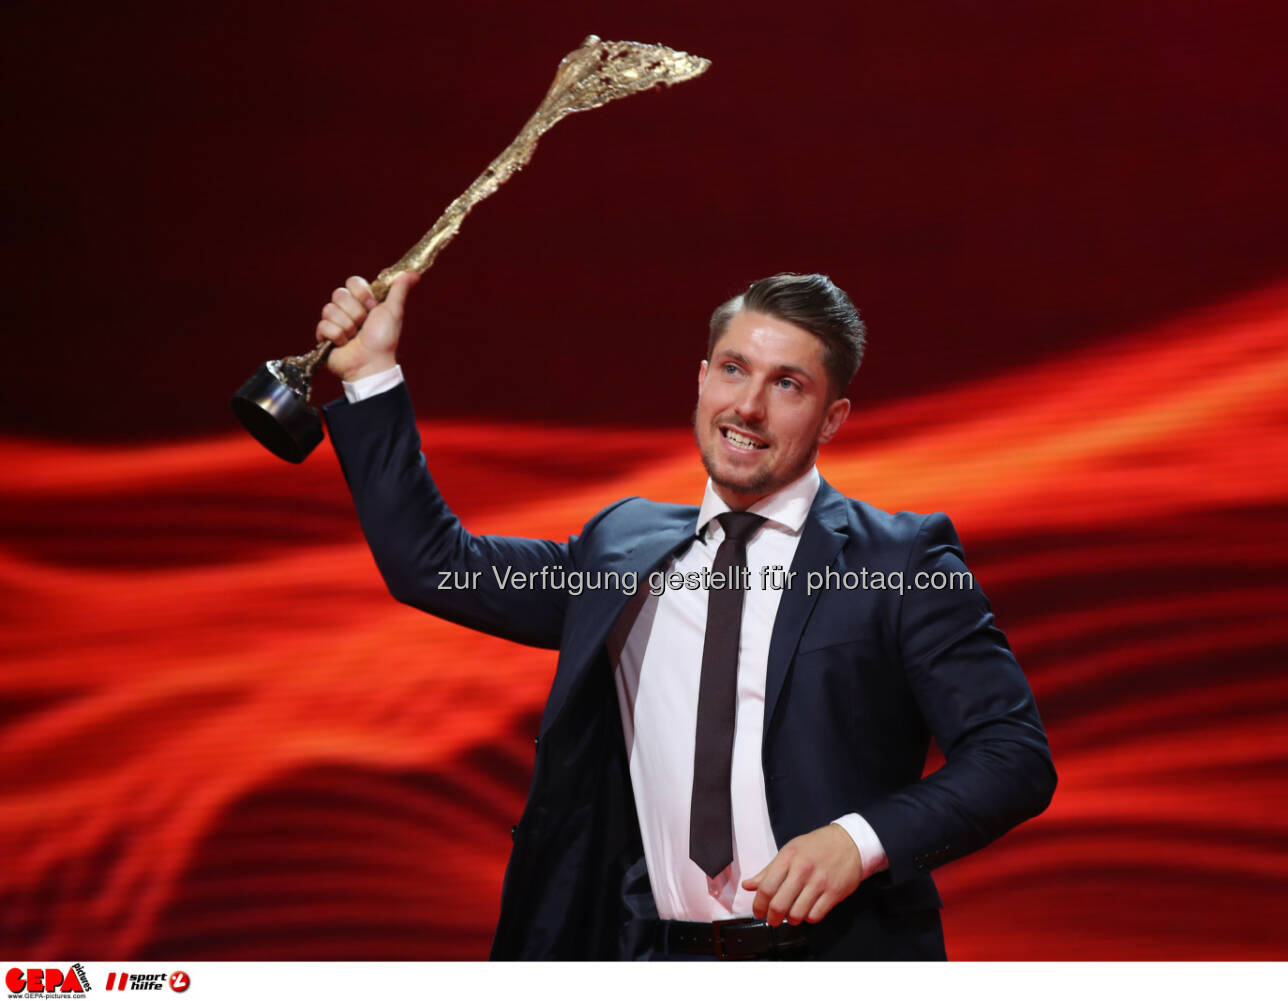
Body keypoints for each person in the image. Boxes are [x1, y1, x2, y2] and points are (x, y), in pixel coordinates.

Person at [315, 270, 1056, 960]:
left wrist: (857, 840)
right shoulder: (620, 549)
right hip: (646, 953)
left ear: (833, 418)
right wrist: (370, 377)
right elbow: (438, 566)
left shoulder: (899, 562)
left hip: (837, 955)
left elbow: (1012, 756)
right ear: (701, 381)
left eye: (787, 384)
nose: (748, 406)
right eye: (733, 369)